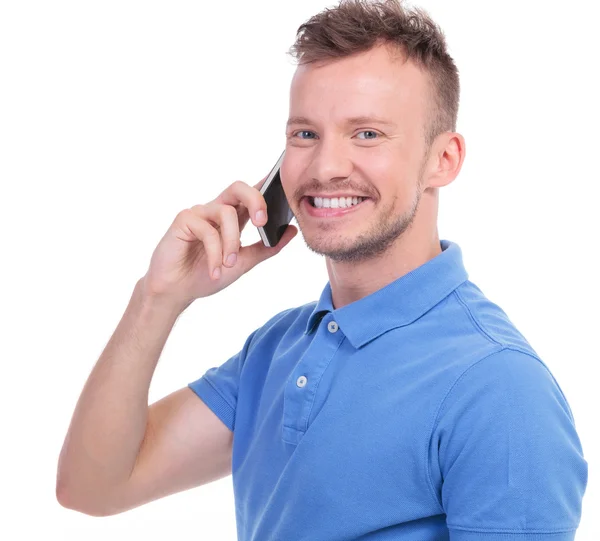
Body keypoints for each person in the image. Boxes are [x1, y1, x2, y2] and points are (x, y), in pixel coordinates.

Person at [56, 0, 588, 539]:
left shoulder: (499, 386)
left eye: (368, 134)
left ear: (442, 159)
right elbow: (92, 487)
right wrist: (158, 298)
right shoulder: (276, 348)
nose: (326, 167)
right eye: (305, 134)